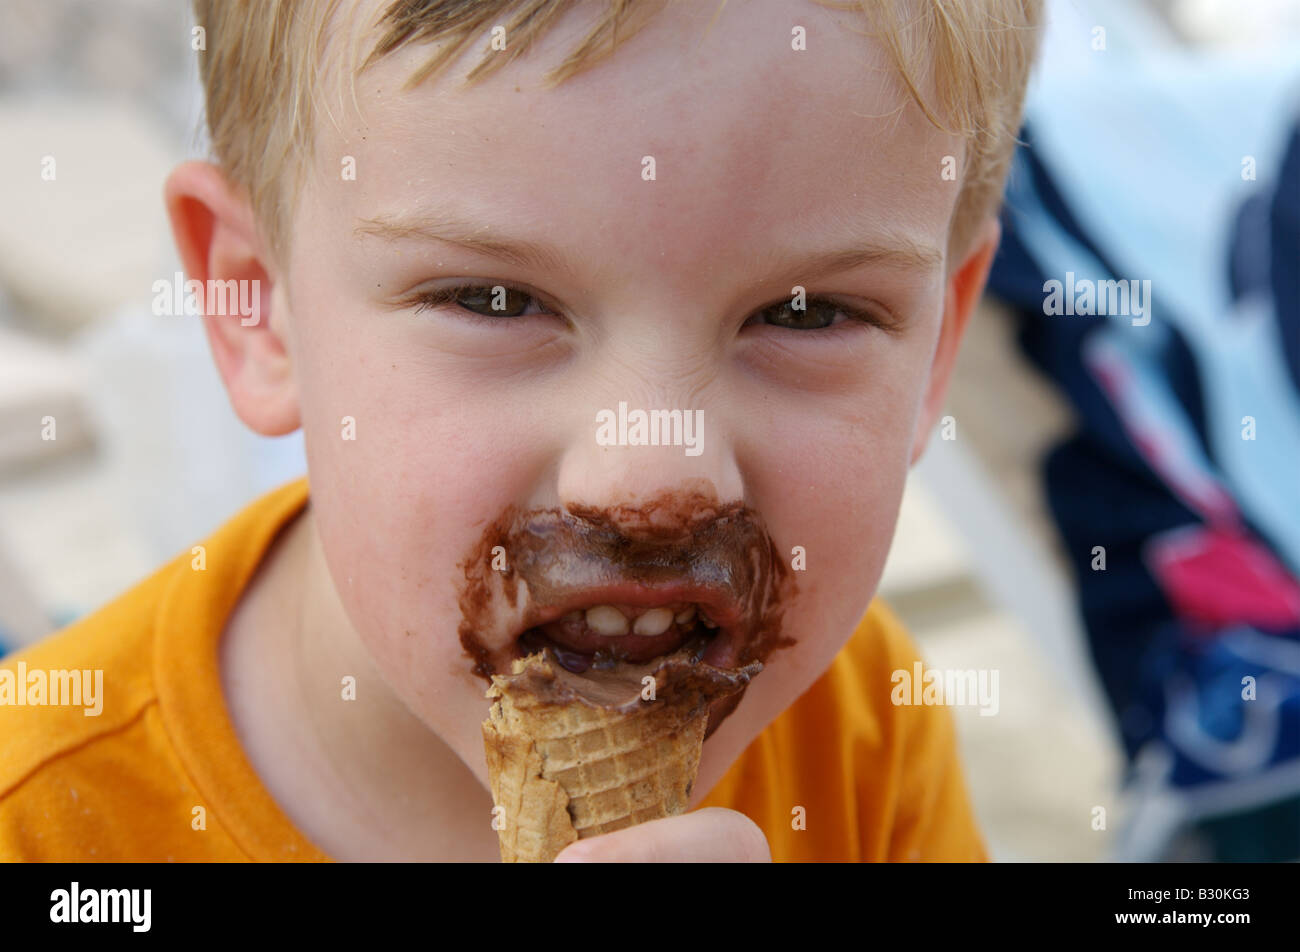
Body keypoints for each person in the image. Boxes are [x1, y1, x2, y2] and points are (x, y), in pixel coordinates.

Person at [0, 0, 1041, 861]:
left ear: (936, 349)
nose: (651, 476)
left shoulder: (855, 720)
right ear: (257, 301)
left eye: (807, 314)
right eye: (496, 300)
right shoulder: (41, 823)